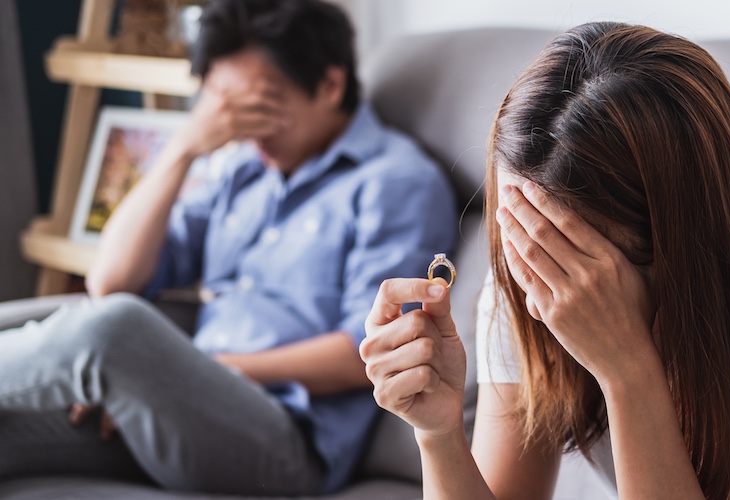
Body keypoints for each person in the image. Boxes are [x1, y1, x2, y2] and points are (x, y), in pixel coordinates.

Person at [360, 22, 730, 500]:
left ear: (677, 238)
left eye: (567, 250)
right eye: (520, 231)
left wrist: (628, 370)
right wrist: (436, 433)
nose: (536, 284)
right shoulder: (532, 262)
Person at [0, 0, 457, 495]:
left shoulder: (396, 183)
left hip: (281, 438)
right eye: (227, 110)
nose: (246, 129)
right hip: (179, 409)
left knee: (115, 328)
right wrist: (184, 149)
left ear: (330, 85)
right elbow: (111, 278)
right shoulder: (243, 172)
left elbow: (365, 352)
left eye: (259, 107)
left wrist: (197, 372)